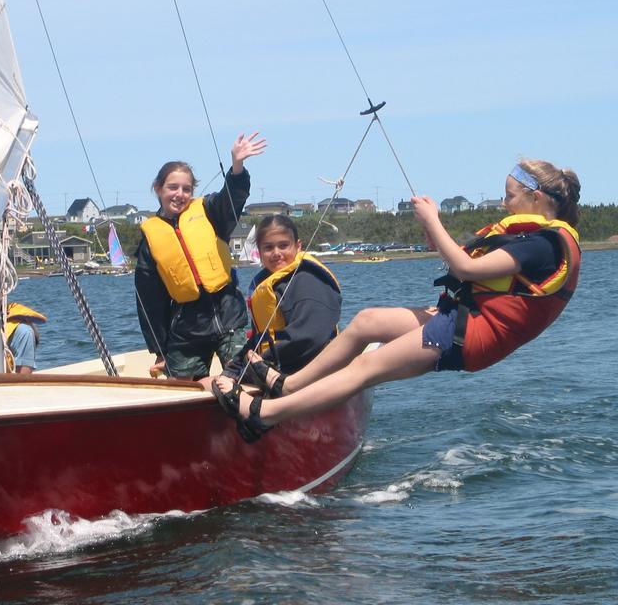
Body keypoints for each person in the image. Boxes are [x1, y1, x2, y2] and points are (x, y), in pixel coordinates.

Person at [213, 159, 582, 443]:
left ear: (536, 199)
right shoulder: (532, 239)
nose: (504, 202)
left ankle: (265, 413)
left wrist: (434, 219)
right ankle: (291, 385)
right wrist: (431, 230)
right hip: (464, 319)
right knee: (368, 322)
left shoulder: (542, 245)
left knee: (365, 368)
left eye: (510, 195)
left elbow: (467, 269)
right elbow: (462, 259)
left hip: (471, 335)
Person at [135, 132, 267, 380]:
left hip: (229, 319)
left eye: (186, 189)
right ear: (158, 189)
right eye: (172, 187)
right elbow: (149, 301)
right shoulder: (150, 239)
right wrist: (159, 349)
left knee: (247, 377)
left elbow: (232, 198)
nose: (179, 194)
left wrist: (237, 166)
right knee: (183, 387)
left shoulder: (210, 211)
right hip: (187, 329)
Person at [201, 214, 341, 393]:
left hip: (308, 374)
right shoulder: (270, 283)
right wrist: (235, 368)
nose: (276, 253)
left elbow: (310, 337)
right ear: (259, 252)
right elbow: (262, 338)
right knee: (208, 383)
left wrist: (258, 365)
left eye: (283, 245)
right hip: (276, 368)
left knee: (211, 384)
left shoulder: (307, 281)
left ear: (298, 246)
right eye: (268, 248)